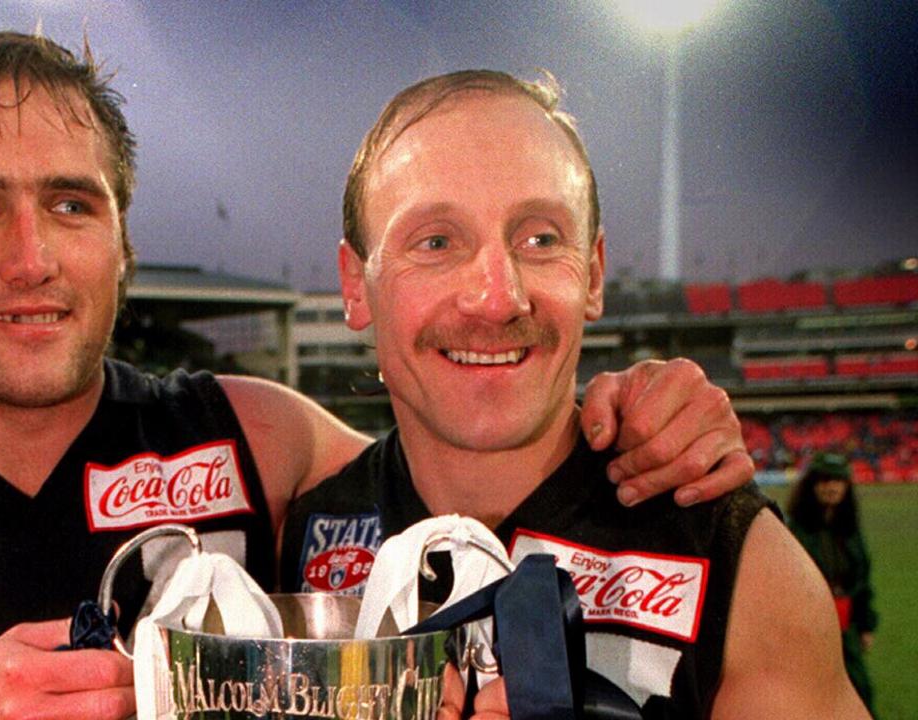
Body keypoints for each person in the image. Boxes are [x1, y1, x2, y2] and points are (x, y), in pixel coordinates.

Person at [0, 27, 753, 720]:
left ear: (121, 240)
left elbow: (483, 441)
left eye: (70, 203)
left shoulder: (259, 439)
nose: (30, 257)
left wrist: (639, 407)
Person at [279, 70, 869, 718]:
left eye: (540, 239)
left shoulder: (744, 567)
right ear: (355, 285)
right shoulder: (286, 540)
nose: (498, 298)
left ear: (593, 274)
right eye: (437, 242)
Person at [787, 452, 878, 714]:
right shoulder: (794, 530)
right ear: (812, 486)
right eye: (824, 481)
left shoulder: (850, 531)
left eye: (838, 481)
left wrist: (865, 625)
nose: (831, 487)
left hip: (845, 620)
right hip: (807, 623)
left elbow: (862, 581)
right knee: (808, 689)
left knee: (859, 686)